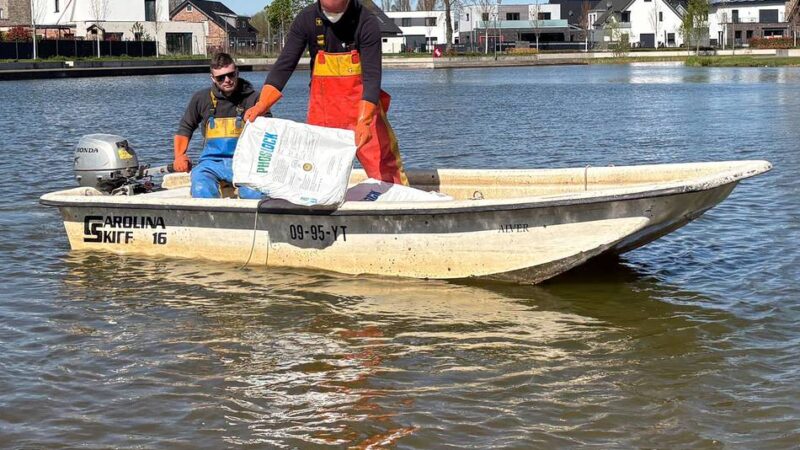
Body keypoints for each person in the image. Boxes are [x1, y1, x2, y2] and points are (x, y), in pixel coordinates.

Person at [243, 0, 408, 185]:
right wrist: (262, 104)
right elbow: (284, 66)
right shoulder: (306, 19)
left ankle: (399, 203)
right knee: (317, 175)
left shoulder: (366, 21)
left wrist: (364, 121)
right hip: (323, 114)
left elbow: (372, 78)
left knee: (384, 167)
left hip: (363, 111)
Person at [173, 53, 266, 199]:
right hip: (211, 163)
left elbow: (270, 134)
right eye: (220, 77)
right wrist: (180, 155)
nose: (227, 80)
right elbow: (186, 127)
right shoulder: (201, 98)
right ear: (213, 78)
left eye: (231, 75)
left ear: (237, 72)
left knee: (254, 194)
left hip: (245, 164)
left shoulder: (255, 98)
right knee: (200, 184)